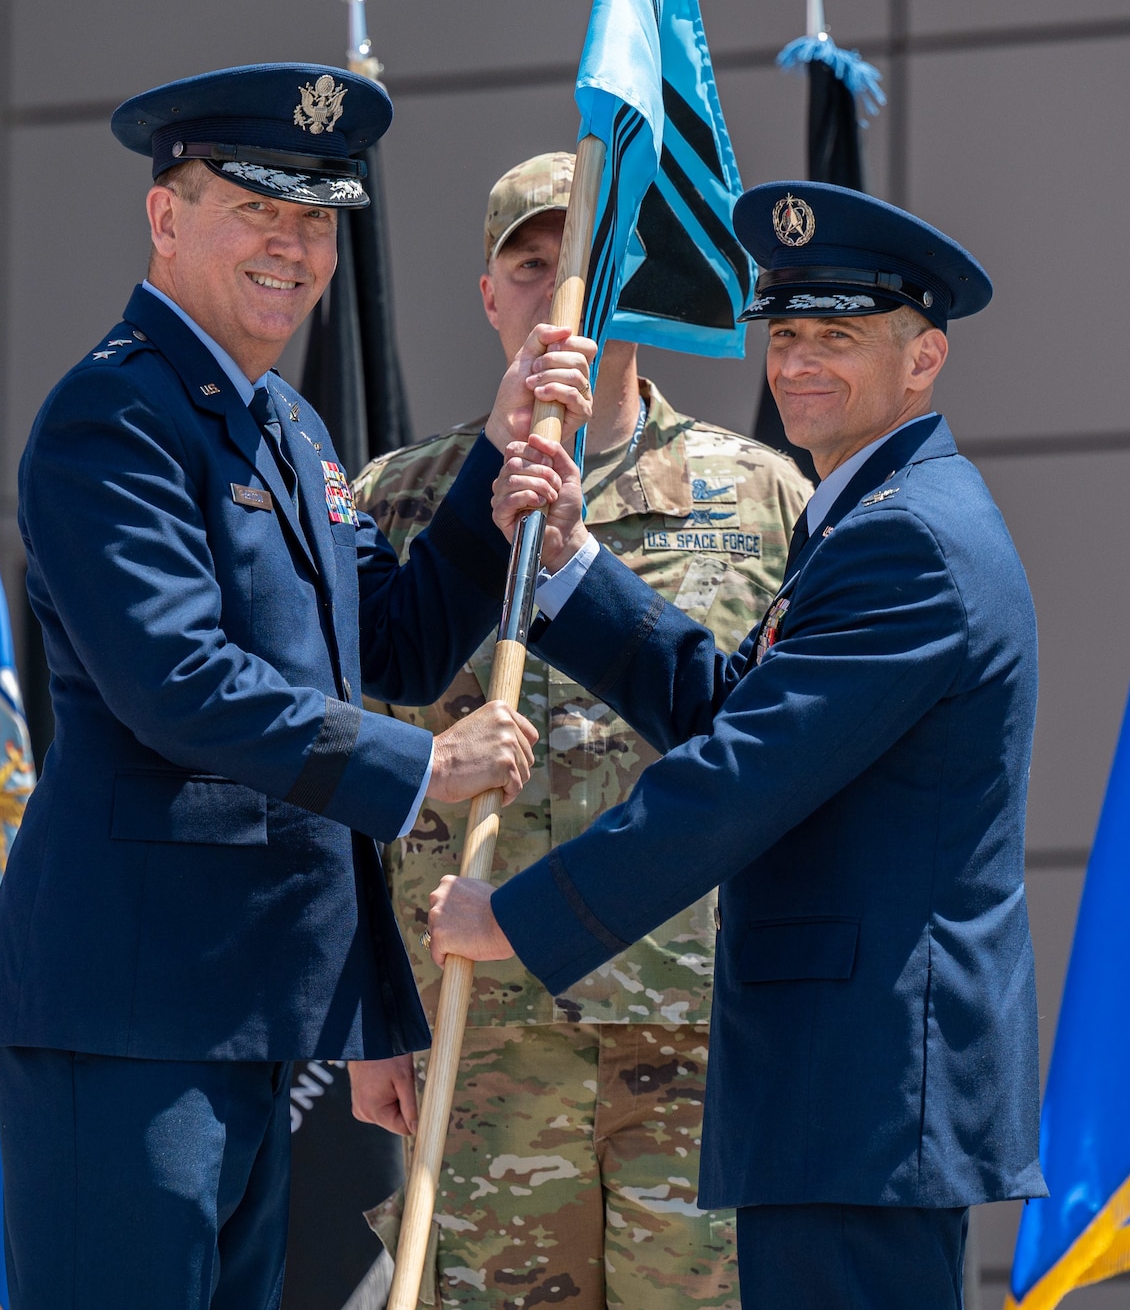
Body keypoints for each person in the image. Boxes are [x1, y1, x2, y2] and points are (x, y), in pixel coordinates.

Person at [0, 65, 597, 1310]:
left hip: (252, 1009)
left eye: (315, 219)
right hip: (132, 1012)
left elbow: (399, 641)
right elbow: (178, 682)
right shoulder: (116, 417)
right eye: (256, 209)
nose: (293, 247)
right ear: (164, 217)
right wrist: (421, 767)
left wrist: (497, 453)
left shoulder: (290, 429)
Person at [428, 180, 1047, 1309]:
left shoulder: (905, 537)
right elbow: (735, 712)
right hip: (843, 1091)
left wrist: (511, 918)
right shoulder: (867, 514)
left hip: (857, 1087)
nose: (799, 362)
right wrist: (568, 563)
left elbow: (738, 775)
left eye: (840, 336)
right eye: (789, 332)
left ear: (923, 361)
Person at [347, 152, 812, 1310]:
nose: (560, 297)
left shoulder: (762, 494)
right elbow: (334, 776)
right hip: (478, 1037)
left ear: (634, 293)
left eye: (588, 271)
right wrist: (362, 1014)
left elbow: (795, 767)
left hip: (697, 1030)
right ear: (490, 294)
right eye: (531, 265)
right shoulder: (397, 501)